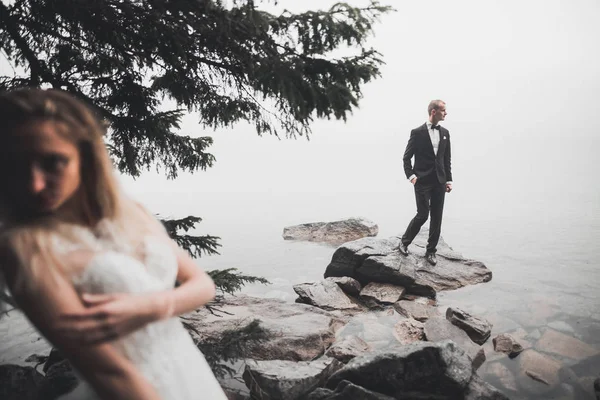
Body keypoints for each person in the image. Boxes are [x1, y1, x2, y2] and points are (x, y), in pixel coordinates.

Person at [0, 88, 228, 400]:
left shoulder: (131, 212)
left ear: (86, 155)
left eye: (53, 162)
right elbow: (111, 373)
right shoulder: (24, 248)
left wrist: (151, 306)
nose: (35, 184)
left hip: (190, 372)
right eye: (15, 166)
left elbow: (202, 284)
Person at [397, 100, 453, 266]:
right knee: (423, 214)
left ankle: (431, 251)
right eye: (444, 110)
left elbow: (446, 158)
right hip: (422, 181)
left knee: (437, 217)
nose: (446, 113)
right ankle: (404, 242)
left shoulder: (445, 133)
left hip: (440, 181)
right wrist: (411, 176)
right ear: (434, 111)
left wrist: (448, 180)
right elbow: (406, 158)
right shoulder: (417, 132)